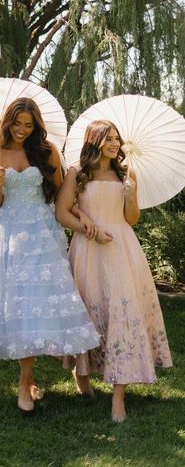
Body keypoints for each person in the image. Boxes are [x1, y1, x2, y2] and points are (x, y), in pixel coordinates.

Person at [0, 97, 99, 412]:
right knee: (20, 305)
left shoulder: (47, 150)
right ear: (7, 122)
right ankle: (25, 382)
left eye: (29, 125)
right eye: (17, 124)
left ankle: (36, 378)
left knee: (43, 301)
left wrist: (80, 214)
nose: (23, 130)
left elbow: (59, 191)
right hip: (8, 233)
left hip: (41, 232)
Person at [55, 119, 172, 422]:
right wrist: (87, 227)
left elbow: (131, 218)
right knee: (88, 312)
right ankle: (82, 375)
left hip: (122, 248)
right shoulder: (76, 173)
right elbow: (61, 213)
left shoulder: (126, 173)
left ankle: (118, 396)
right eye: (108, 138)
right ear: (94, 140)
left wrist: (131, 195)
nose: (114, 144)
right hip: (88, 251)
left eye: (117, 139)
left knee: (123, 314)